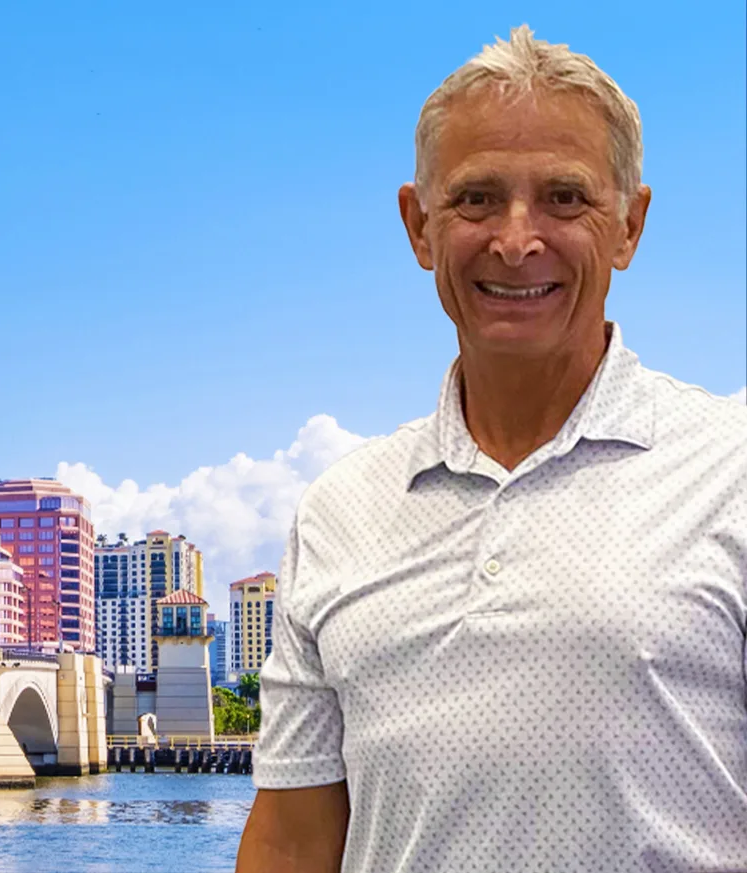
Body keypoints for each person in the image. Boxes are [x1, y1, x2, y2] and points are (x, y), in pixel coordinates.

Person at [235, 25, 747, 873]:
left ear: (629, 225)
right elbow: (292, 839)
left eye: (565, 198)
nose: (517, 240)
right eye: (476, 199)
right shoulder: (339, 510)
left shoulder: (729, 472)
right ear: (419, 226)